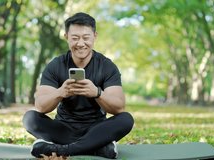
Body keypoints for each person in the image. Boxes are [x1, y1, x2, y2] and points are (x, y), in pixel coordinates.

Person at [22, 12, 134, 159]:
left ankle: (63, 149)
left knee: (126, 119)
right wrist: (60, 93)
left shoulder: (107, 66)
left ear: (95, 36)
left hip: (96, 130)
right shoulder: (55, 65)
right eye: (75, 38)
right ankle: (96, 148)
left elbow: (119, 107)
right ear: (66, 37)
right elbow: (41, 106)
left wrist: (97, 93)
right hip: (63, 129)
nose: (80, 43)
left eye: (86, 38)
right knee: (30, 117)